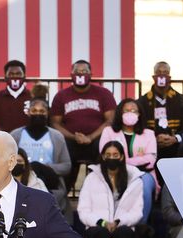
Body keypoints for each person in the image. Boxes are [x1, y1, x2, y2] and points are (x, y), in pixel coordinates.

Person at [77, 141, 143, 238]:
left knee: (123, 233)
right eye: (108, 155)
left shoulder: (135, 179)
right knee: (101, 233)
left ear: (121, 157)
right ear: (102, 157)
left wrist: (119, 221)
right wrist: (103, 222)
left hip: (124, 225)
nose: (111, 158)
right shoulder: (92, 178)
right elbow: (83, 210)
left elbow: (137, 212)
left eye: (115, 155)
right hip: (97, 224)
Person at [50, 59, 116, 192]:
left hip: (96, 139)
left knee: (105, 150)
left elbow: (110, 120)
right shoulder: (61, 95)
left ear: (91, 74)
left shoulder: (103, 93)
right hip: (70, 140)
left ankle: (101, 192)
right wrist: (74, 137)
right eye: (77, 71)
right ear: (71, 74)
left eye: (84, 71)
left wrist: (90, 137)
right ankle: (62, 195)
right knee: (63, 155)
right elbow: (55, 123)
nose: (81, 74)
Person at [99, 98, 158, 228]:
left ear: (140, 114)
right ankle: (113, 224)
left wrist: (124, 161)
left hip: (144, 173)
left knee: (144, 186)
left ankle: (141, 225)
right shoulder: (108, 131)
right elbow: (105, 154)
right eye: (126, 110)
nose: (130, 113)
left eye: (134, 111)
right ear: (120, 113)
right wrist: (133, 162)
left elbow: (151, 159)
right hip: (115, 171)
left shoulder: (148, 133)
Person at [11, 98, 72, 214]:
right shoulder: (15, 135)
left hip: (49, 180)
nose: (38, 114)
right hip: (21, 179)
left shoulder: (57, 136)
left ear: (47, 113)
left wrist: (44, 167)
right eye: (34, 111)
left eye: (42, 111)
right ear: (28, 112)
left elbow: (67, 165)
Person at [137, 61, 183, 161]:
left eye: (165, 72)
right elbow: (141, 126)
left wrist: (175, 138)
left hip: (176, 147)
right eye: (159, 72)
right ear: (154, 77)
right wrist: (153, 139)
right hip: (151, 147)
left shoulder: (182, 101)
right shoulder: (142, 102)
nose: (162, 75)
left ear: (169, 77)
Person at [0, 60, 32, 132]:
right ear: (5, 77)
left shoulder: (33, 97)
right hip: (2, 140)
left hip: (27, 141)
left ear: (24, 76)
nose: (15, 76)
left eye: (18, 74)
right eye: (11, 74)